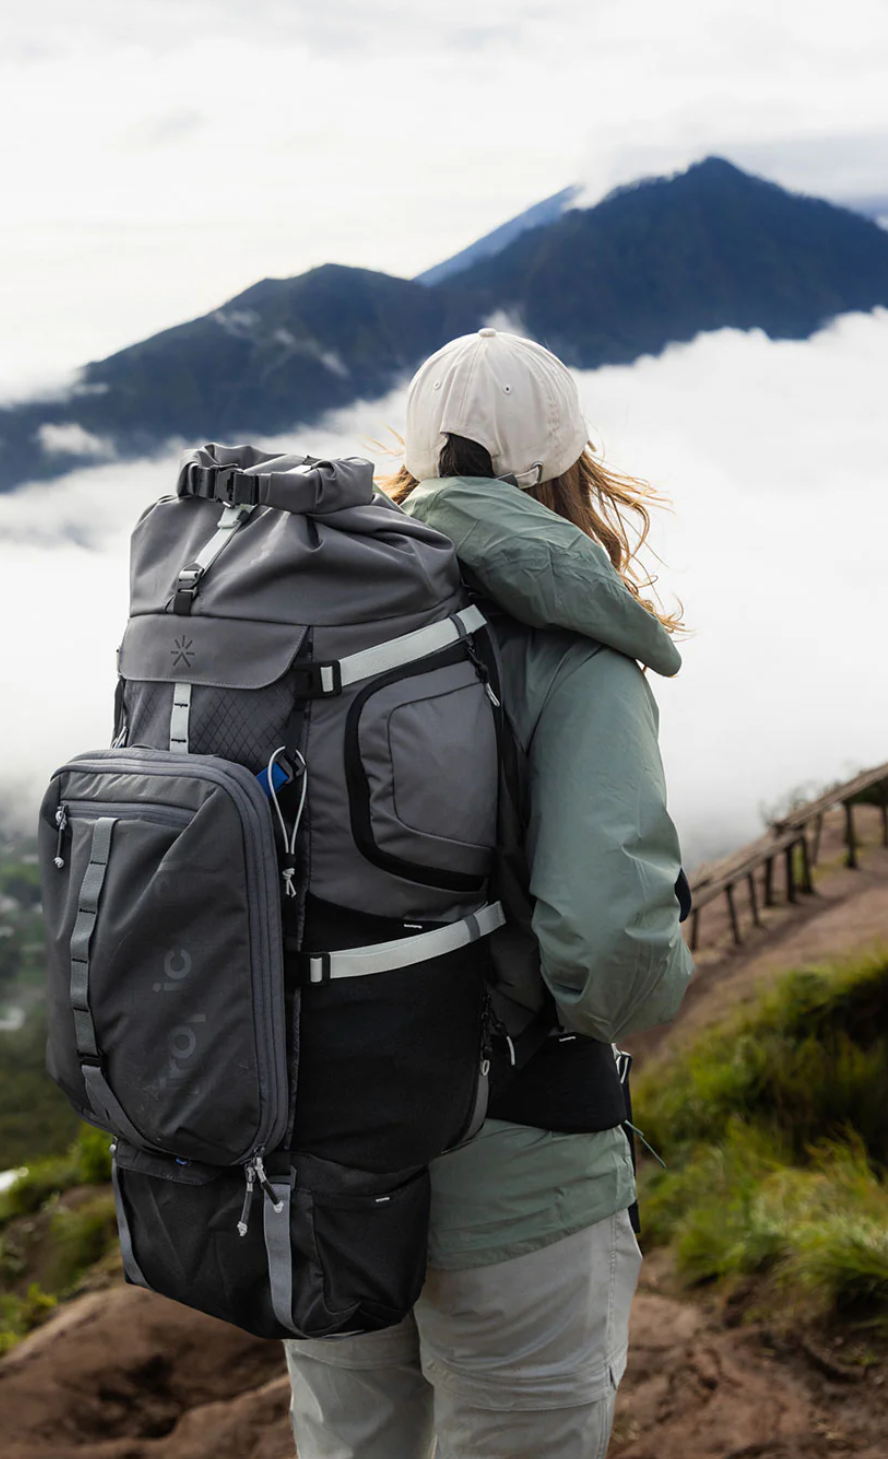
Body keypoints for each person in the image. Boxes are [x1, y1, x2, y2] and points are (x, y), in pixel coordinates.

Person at [284, 327, 694, 1459]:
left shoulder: (308, 628)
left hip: (326, 1167)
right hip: (518, 1188)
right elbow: (609, 955)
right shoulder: (578, 653)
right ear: (572, 459)